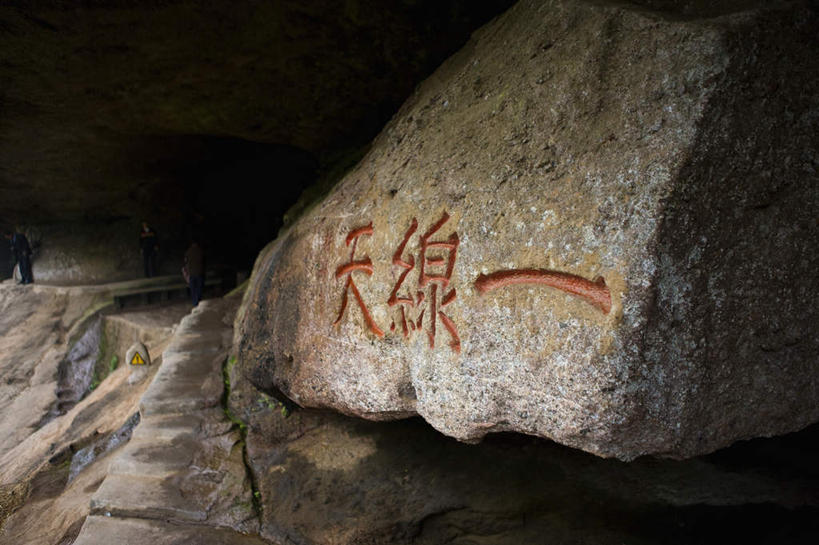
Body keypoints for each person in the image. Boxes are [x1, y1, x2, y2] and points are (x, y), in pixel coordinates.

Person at [184, 238, 205, 307]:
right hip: (199, 272)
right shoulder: (200, 251)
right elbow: (203, 262)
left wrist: (187, 273)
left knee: (193, 289)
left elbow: (186, 262)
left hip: (191, 273)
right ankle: (198, 301)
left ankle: (195, 302)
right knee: (199, 288)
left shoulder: (188, 251)